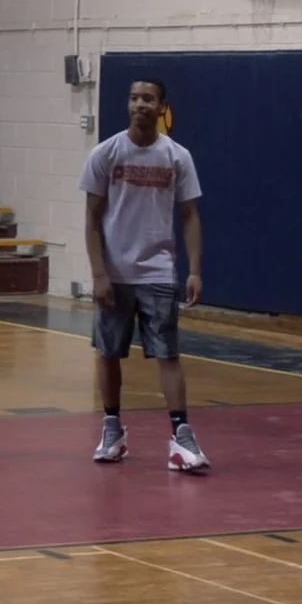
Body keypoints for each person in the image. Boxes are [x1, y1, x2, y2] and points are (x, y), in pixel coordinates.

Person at [81, 77, 208, 472]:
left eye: (148, 99)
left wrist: (194, 270)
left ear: (162, 107)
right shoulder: (105, 153)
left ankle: (181, 436)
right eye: (134, 98)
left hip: (159, 271)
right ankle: (112, 430)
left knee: (168, 354)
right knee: (109, 353)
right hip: (115, 272)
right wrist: (99, 274)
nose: (140, 104)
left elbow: (190, 215)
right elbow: (91, 218)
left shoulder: (177, 156)